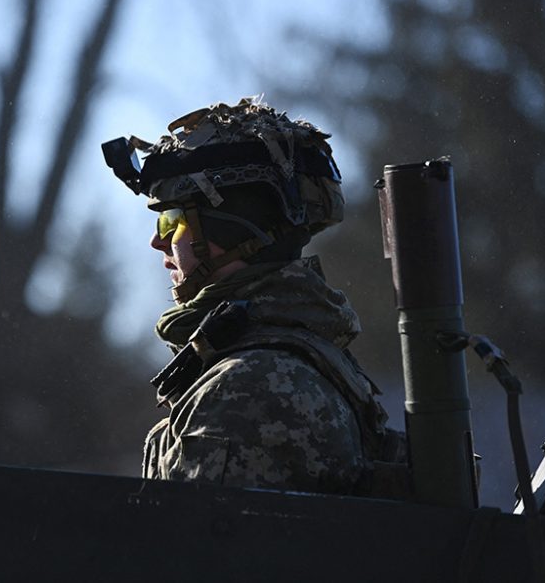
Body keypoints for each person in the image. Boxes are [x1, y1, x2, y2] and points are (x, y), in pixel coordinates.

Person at [102, 96, 404, 496]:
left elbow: (194, 553)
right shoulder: (284, 354)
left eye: (172, 219)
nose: (158, 241)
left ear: (230, 232)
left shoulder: (250, 388)